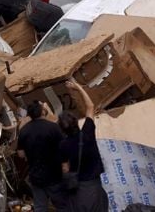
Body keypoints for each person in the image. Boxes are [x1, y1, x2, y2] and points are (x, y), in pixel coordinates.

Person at [58, 80, 109, 212]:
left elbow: (65, 169)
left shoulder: (64, 145)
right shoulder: (87, 132)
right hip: (95, 187)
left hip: (78, 190)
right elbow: (90, 106)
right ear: (76, 121)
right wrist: (78, 87)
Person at [17, 100, 67, 212]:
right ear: (43, 112)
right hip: (54, 175)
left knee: (40, 207)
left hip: (36, 176)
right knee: (62, 206)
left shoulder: (24, 131)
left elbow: (20, 154)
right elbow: (64, 148)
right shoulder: (53, 128)